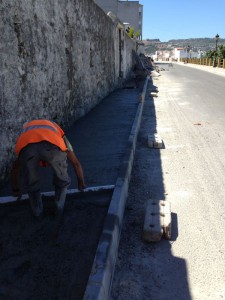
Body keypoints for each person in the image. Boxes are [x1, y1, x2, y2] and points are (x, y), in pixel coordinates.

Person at [11, 119, 85, 217]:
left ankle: (38, 212)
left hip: (27, 149)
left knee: (31, 181)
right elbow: (75, 163)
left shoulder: (26, 132)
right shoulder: (57, 131)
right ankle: (59, 207)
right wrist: (81, 182)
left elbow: (15, 168)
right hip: (52, 146)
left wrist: (16, 189)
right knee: (61, 178)